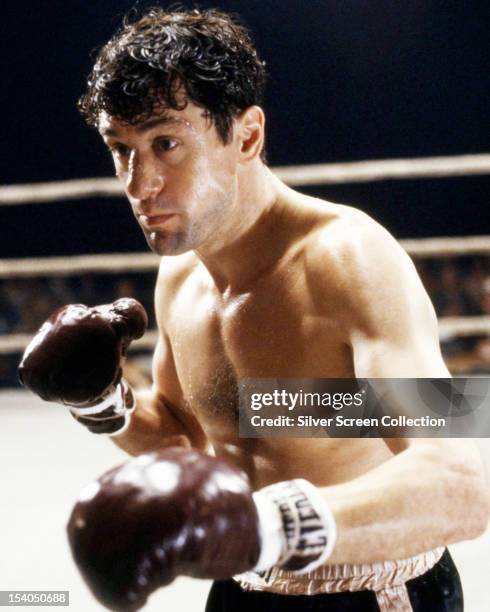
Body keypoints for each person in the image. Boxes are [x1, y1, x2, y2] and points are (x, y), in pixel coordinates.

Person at [19, 8, 490, 612]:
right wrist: (105, 404)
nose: (140, 185)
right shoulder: (181, 272)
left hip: (371, 585)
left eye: (166, 143)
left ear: (246, 137)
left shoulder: (350, 257)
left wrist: (253, 523)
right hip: (246, 579)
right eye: (121, 149)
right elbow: (188, 441)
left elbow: (458, 486)